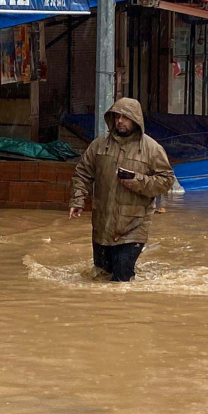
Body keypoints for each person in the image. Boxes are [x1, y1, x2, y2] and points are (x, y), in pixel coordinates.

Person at [69, 98, 175, 283]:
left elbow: (166, 181)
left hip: (133, 227)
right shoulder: (99, 145)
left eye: (125, 117)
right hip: (103, 224)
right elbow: (82, 173)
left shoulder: (152, 149)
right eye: (117, 116)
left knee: (121, 281)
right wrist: (78, 200)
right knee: (100, 276)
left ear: (136, 120)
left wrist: (137, 181)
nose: (120, 121)